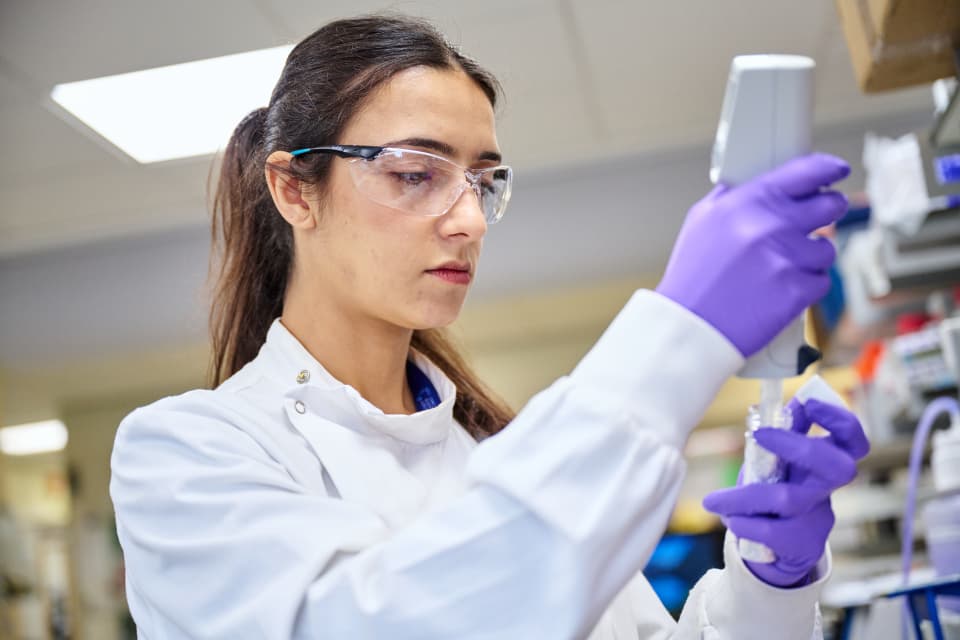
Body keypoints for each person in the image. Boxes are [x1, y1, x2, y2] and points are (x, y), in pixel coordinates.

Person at [109, 13, 869, 640]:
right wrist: (681, 330)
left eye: (482, 180)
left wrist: (771, 580)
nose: (470, 219)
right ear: (293, 191)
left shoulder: (497, 449)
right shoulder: (187, 455)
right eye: (415, 173)